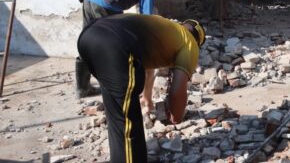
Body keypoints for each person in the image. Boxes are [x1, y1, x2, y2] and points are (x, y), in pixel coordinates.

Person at [78, 14, 205, 163]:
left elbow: (146, 69)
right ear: (198, 41)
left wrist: (147, 98)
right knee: (128, 122)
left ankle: (128, 158)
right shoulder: (190, 43)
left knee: (117, 115)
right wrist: (177, 115)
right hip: (114, 45)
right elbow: (178, 88)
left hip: (88, 36)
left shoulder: (166, 27)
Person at [76, 0, 176, 98]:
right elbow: (146, 16)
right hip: (107, 5)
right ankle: (113, 89)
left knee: (86, 42)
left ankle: (82, 88)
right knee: (109, 47)